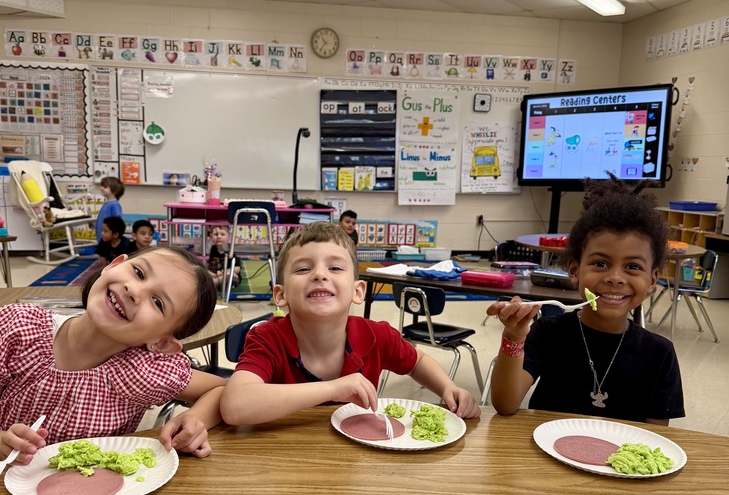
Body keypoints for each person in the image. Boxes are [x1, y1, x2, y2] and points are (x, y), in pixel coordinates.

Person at [0, 247, 226, 479]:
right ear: (113, 265)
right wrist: (1, 445)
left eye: (158, 302)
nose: (134, 291)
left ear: (162, 343)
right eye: (138, 272)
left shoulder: (145, 371)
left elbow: (220, 389)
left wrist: (194, 420)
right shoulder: (21, 331)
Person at [220, 221, 480, 425]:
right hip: (285, 461)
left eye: (335, 268)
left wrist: (448, 387)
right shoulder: (268, 338)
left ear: (358, 291)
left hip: (358, 464)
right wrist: (332, 389)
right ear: (281, 295)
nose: (319, 275)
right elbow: (235, 406)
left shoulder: (376, 335)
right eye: (303, 269)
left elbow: (417, 361)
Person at [485, 176, 684, 424]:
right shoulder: (548, 333)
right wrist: (514, 338)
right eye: (600, 263)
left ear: (652, 279)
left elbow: (656, 435)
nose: (615, 278)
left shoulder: (659, 353)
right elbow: (505, 405)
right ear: (574, 270)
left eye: (633, 266)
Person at [207, 226, 241, 290]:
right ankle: (214, 283)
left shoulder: (232, 250)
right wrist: (212, 273)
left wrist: (223, 273)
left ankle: (213, 283)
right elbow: (208, 266)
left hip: (227, 275)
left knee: (231, 275)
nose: (219, 237)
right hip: (215, 275)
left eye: (222, 234)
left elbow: (237, 269)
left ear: (229, 237)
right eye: (216, 234)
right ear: (211, 237)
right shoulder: (211, 250)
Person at [95, 176, 124, 241]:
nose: (101, 188)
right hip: (102, 239)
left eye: (105, 187)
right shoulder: (107, 204)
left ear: (115, 190)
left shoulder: (114, 205)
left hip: (109, 240)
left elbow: (118, 222)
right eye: (102, 186)